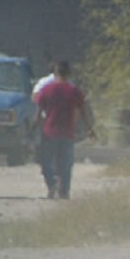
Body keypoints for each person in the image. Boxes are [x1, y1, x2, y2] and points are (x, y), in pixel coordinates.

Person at [34, 61, 95, 199]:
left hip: (49, 132)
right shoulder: (74, 91)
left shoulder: (46, 90)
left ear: (55, 74)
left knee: (46, 162)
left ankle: (52, 184)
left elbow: (38, 113)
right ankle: (64, 191)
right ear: (69, 74)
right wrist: (89, 129)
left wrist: (34, 128)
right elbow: (83, 111)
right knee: (65, 164)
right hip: (68, 132)